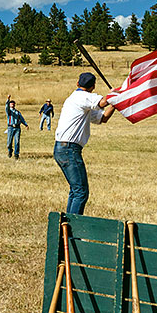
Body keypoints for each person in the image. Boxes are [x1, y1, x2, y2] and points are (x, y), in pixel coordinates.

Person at [53, 72, 116, 215]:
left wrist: (115, 103)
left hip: (63, 148)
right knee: (81, 192)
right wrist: (114, 95)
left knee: (76, 191)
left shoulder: (80, 101)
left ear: (77, 83)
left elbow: (102, 118)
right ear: (93, 86)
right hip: (69, 149)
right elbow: (101, 103)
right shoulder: (82, 97)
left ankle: (67, 229)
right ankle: (74, 230)